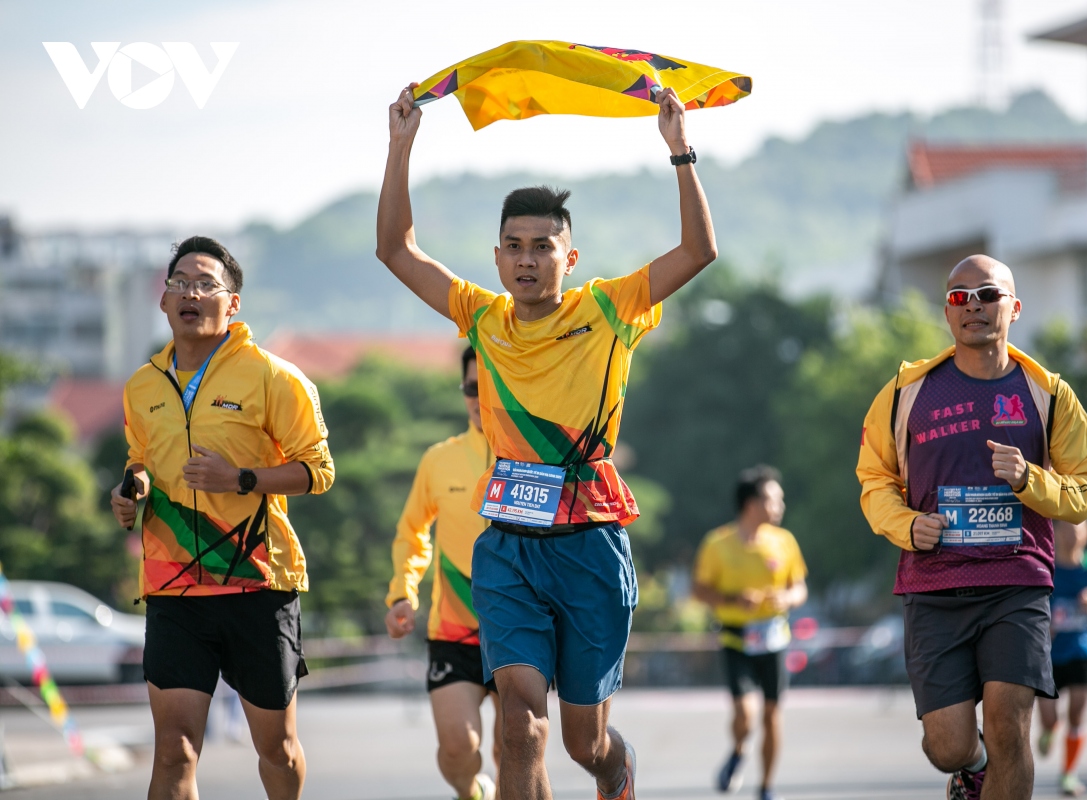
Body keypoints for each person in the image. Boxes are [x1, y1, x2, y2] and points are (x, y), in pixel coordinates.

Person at [376, 80, 717, 800]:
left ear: (570, 256)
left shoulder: (610, 307)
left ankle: (614, 770)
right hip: (508, 548)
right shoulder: (482, 317)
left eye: (543, 247)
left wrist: (679, 150)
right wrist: (400, 145)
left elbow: (698, 250)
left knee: (581, 740)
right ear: (497, 257)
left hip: (590, 545)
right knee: (518, 725)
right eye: (514, 248)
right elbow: (396, 250)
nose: (527, 260)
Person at [856, 255, 1087, 800]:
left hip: (1017, 583)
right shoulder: (906, 393)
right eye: (958, 297)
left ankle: (992, 769)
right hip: (933, 585)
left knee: (1010, 728)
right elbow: (873, 479)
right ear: (947, 314)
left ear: (1013, 309)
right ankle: (970, 770)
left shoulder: (1048, 393)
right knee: (945, 744)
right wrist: (906, 524)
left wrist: (1030, 480)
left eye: (987, 294)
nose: (973, 305)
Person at [110, 236, 335, 800]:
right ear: (163, 300)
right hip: (173, 592)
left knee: (276, 750)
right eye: (179, 281)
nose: (190, 292)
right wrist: (132, 488)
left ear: (232, 304)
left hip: (257, 586)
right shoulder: (141, 387)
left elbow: (319, 470)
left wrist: (241, 479)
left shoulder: (273, 377)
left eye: (206, 283)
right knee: (175, 751)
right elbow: (142, 458)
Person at [384, 346, 500, 800]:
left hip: (522, 628)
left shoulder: (538, 456)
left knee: (518, 746)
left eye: (488, 387)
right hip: (454, 630)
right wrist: (401, 595)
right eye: (470, 388)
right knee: (458, 748)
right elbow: (412, 531)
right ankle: (470, 791)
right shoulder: (439, 459)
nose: (477, 397)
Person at [693, 465, 808, 800]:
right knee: (745, 713)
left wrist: (786, 597)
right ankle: (739, 748)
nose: (781, 505)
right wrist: (731, 600)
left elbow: (799, 588)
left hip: (774, 637)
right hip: (735, 637)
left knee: (772, 713)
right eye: (775, 498)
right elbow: (699, 591)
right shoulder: (717, 544)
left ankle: (767, 787)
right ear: (752, 504)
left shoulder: (785, 542)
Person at [1035, 519, 1087, 797]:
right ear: (1055, 531)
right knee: (1050, 719)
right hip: (1048, 654)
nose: (1072, 533)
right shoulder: (1045, 566)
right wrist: (1043, 625)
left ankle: (1068, 773)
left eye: (1078, 527)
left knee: (1077, 713)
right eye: (1066, 527)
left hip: (1081, 651)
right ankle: (1047, 731)